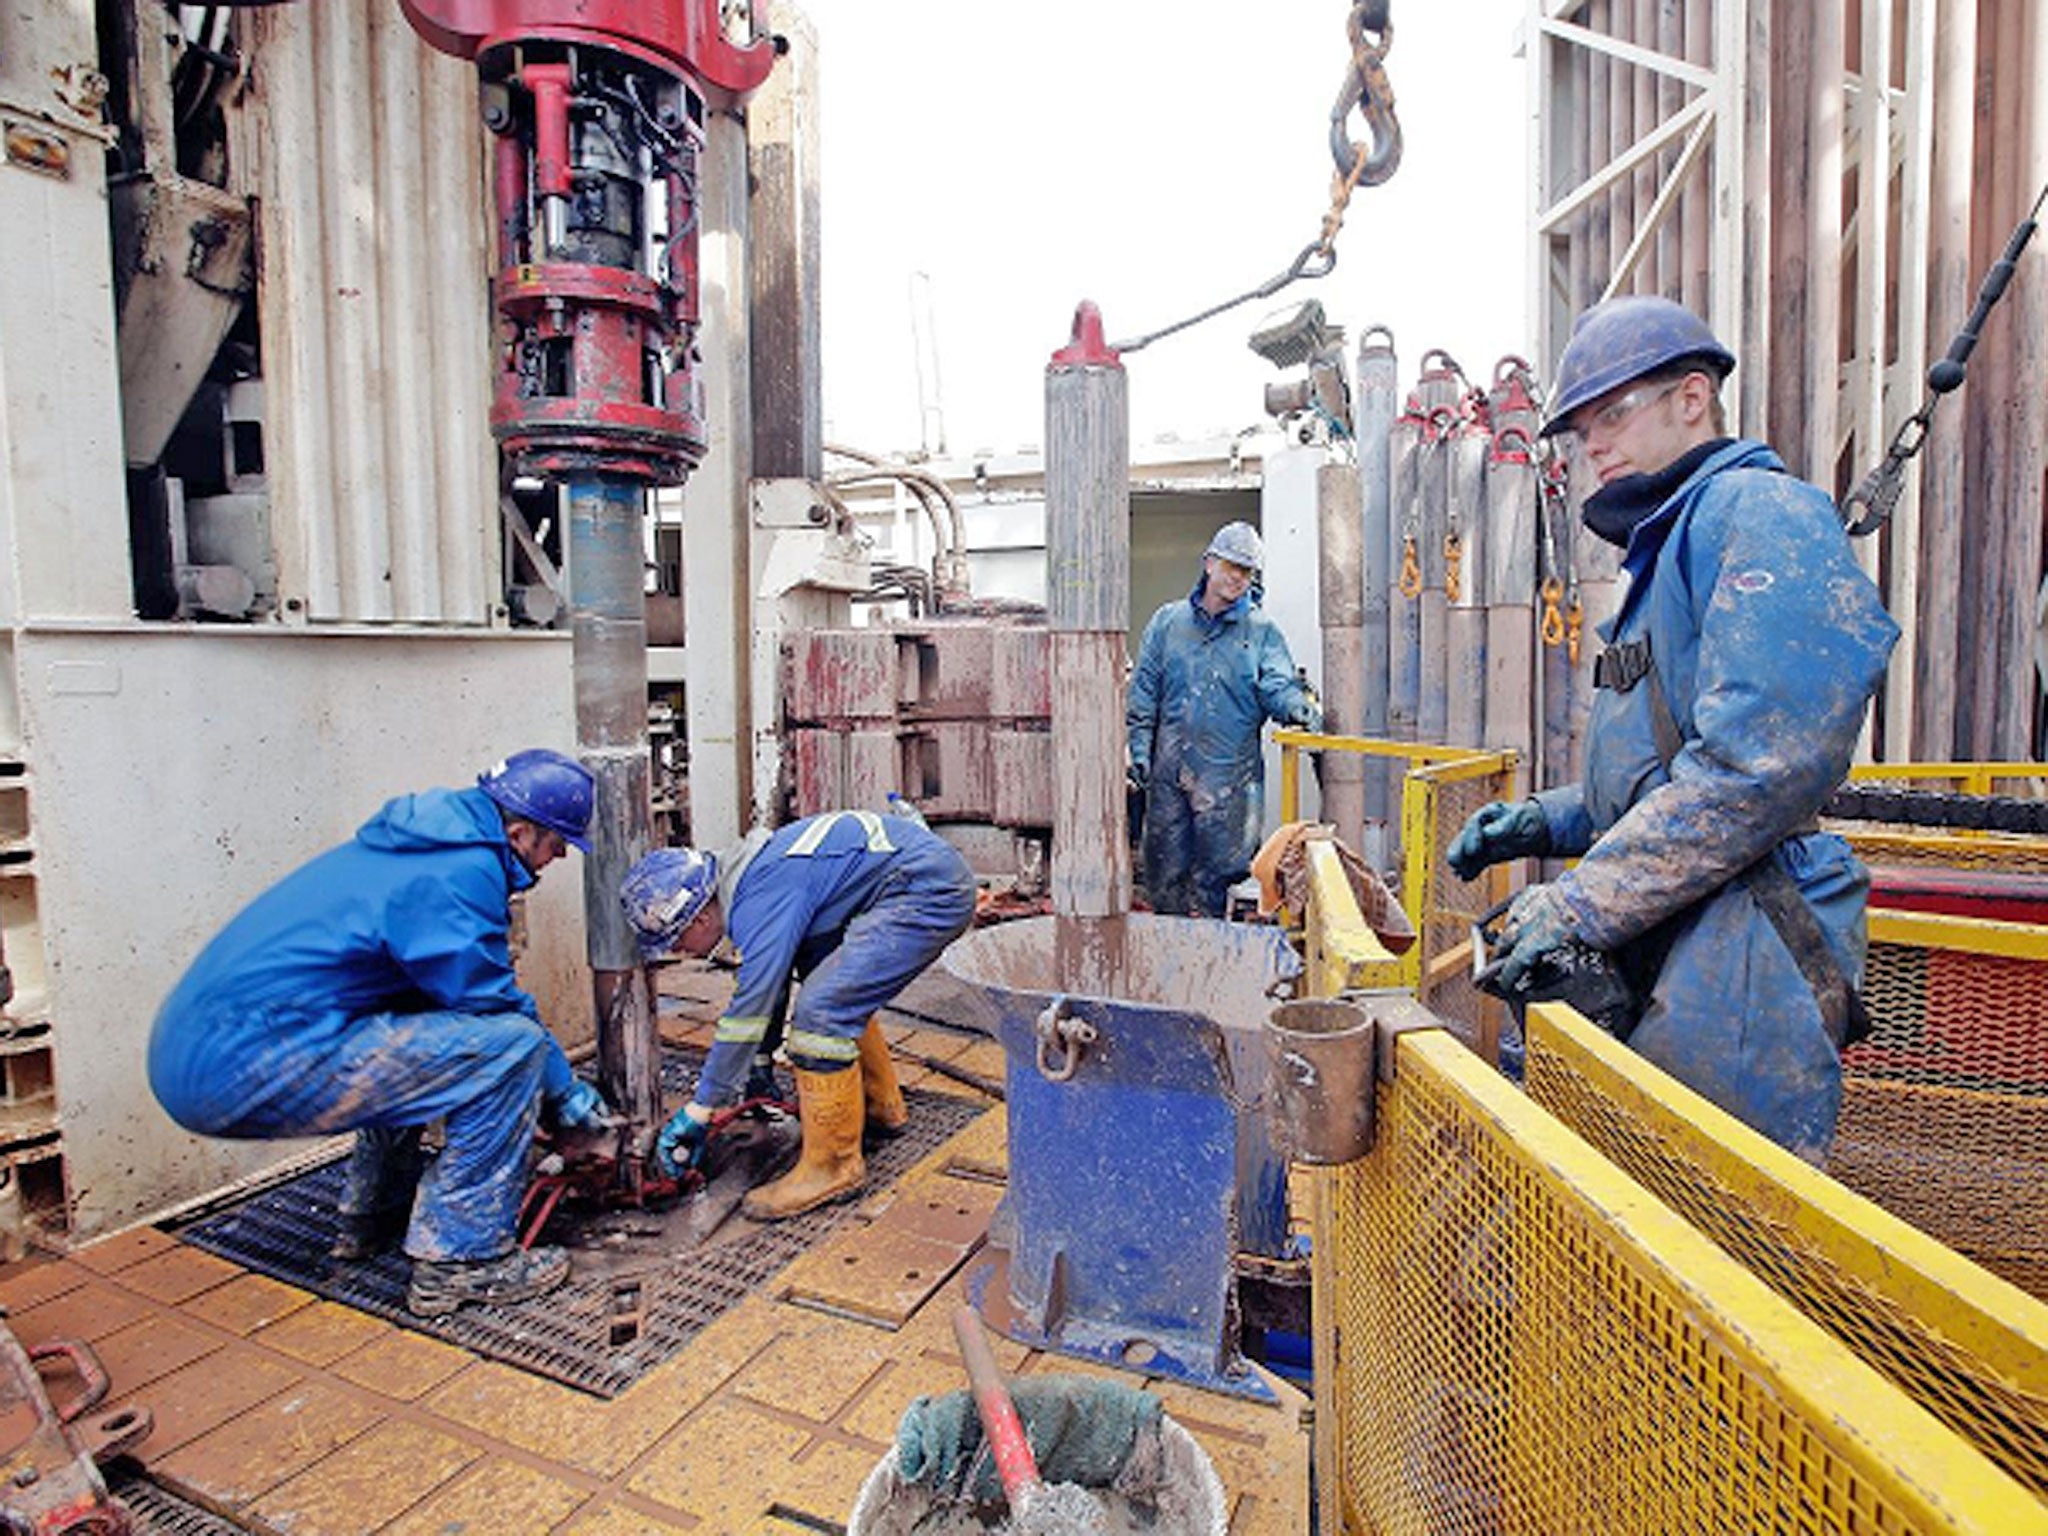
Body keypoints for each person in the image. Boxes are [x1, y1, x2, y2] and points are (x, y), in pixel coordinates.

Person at [1447, 296, 1898, 1161]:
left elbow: (1756, 769)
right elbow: (1664, 770)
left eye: (1613, 415)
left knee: (1719, 1224)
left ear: (1694, 398)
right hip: (1684, 930)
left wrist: (1580, 899)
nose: (1595, 448)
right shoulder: (1665, 553)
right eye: (1580, 433)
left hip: (1749, 945)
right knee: (1644, 1206)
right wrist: (1552, 816)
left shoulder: (1759, 517)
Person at [149, 749, 615, 1318]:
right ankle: (461, 1262)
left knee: (421, 1027)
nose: (561, 856)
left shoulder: (423, 845)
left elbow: (438, 1000)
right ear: (519, 832)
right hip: (236, 1063)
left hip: (199, 1048)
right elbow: (495, 1009)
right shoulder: (460, 870)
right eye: (557, 843)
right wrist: (563, 1091)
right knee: (513, 1049)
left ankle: (374, 1216)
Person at [620, 808, 976, 1220]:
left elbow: (749, 1008)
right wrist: (758, 1063)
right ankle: (881, 1105)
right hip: (919, 878)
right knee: (824, 979)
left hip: (928, 893)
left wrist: (702, 1108)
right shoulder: (754, 876)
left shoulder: (759, 898)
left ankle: (833, 1169)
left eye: (676, 940)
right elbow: (769, 982)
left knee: (821, 1016)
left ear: (699, 916)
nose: (679, 953)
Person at [1126, 521, 1324, 918]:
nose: (1238, 577)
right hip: (1169, 779)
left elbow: (1276, 685)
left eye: (1246, 571)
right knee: (1164, 872)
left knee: (1222, 880)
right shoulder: (1168, 623)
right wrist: (1139, 750)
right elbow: (1144, 693)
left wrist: (1297, 707)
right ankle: (1169, 961)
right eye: (1232, 566)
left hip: (1230, 784)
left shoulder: (1262, 632)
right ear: (1209, 563)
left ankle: (1216, 962)